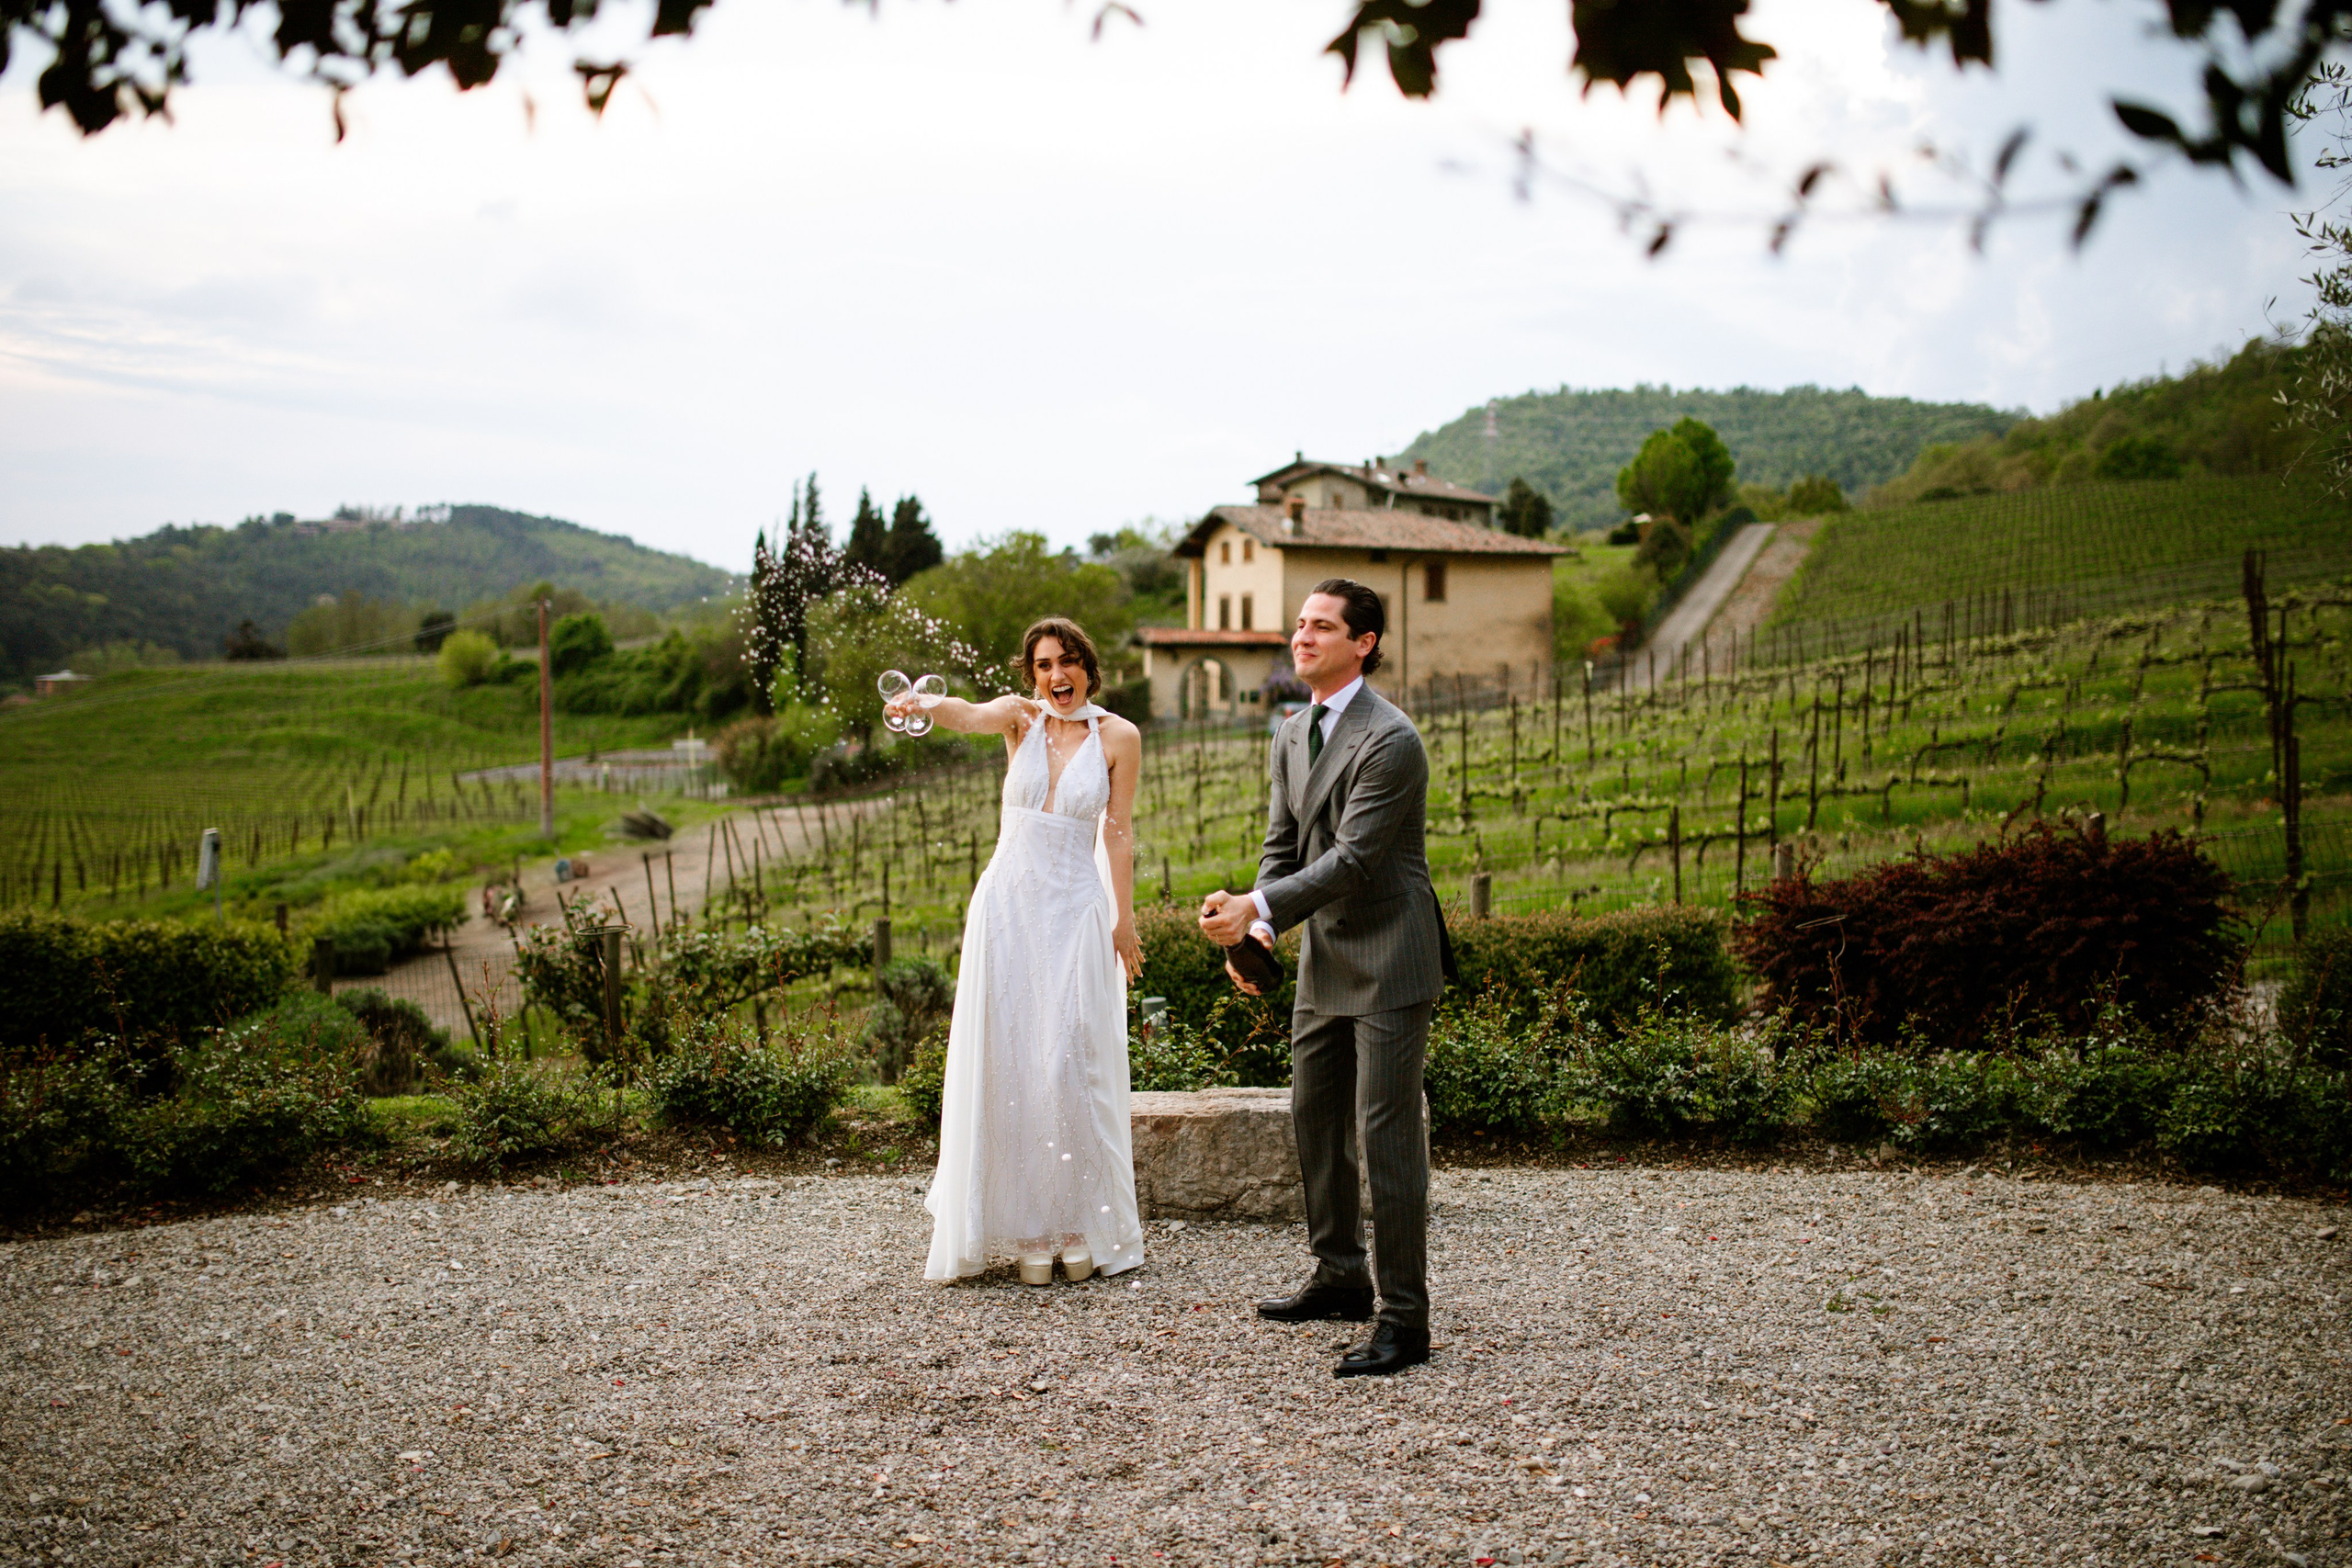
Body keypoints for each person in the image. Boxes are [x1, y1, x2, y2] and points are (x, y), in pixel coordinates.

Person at [1198, 579, 1448, 1378]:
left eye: (1322, 626)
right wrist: (1258, 933)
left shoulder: (1392, 738)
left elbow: (1356, 858)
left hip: (1392, 951)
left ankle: (1405, 1320)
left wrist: (1256, 904)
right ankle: (1341, 1274)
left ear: (1364, 641)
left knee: (1386, 1131)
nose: (1301, 636)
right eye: (1300, 623)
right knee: (1313, 1116)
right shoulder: (1291, 730)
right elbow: (1285, 845)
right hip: (1324, 955)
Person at [892, 617, 1149, 1286]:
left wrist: (1124, 920)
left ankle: (1075, 1219)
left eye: (1066, 662)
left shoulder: (1120, 736)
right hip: (1009, 905)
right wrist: (918, 703)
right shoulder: (1018, 719)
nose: (1055, 676)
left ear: (1088, 667)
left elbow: (1117, 834)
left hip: (1075, 907)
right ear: (1030, 673)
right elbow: (965, 714)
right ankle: (1031, 1227)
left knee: (1066, 1059)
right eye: (1042, 665)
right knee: (1010, 1059)